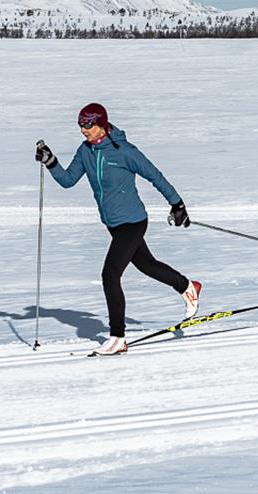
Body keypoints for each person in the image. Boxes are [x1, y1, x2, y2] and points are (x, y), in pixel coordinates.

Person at [36, 103, 201, 355]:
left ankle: (117, 337)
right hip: (113, 224)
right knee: (147, 265)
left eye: (88, 125)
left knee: (110, 275)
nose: (83, 130)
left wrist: (177, 204)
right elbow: (68, 181)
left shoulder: (124, 151)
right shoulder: (85, 152)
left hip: (133, 222)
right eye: (80, 125)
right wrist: (51, 162)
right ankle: (187, 286)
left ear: (101, 123)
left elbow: (155, 175)